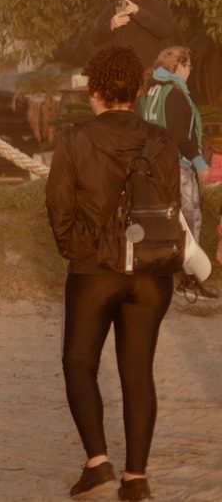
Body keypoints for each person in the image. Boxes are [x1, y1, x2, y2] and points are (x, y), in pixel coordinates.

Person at [48, 45, 180, 502]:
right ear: (139, 90)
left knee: (79, 363)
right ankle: (136, 478)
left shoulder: (76, 138)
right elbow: (171, 204)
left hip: (95, 269)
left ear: (95, 89)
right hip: (150, 269)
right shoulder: (161, 139)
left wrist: (77, 251)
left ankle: (97, 461)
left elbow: (59, 208)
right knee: (138, 371)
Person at [137, 46, 203, 247]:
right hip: (177, 164)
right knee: (190, 219)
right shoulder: (174, 92)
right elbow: (180, 135)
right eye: (189, 66)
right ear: (179, 67)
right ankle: (190, 270)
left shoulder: (149, 92)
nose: (190, 71)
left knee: (161, 217)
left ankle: (162, 258)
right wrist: (199, 163)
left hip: (153, 165)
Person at [91, 0, 174, 57]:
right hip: (120, 68)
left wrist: (139, 13)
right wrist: (111, 25)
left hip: (150, 68)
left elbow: (166, 33)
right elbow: (95, 39)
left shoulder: (159, 6)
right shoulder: (112, 8)